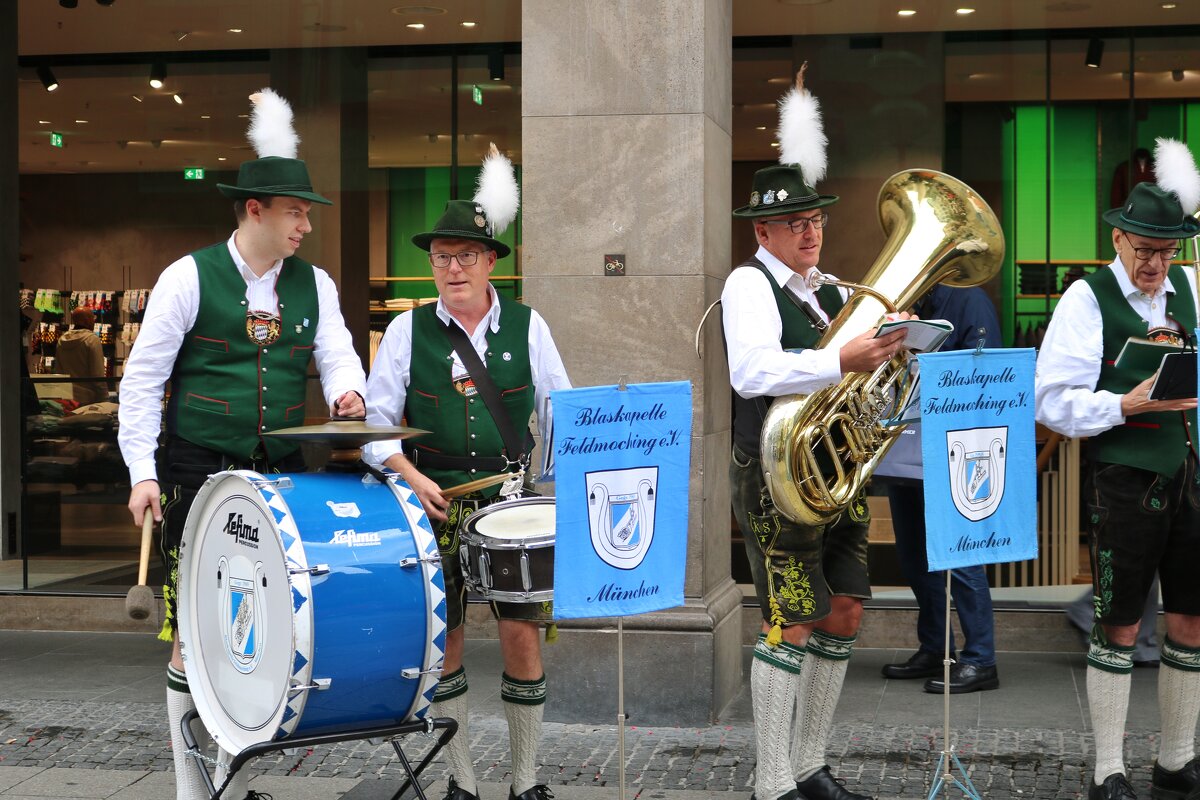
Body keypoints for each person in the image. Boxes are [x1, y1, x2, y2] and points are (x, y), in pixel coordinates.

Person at [118, 89, 366, 800]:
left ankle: (230, 773)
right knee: (190, 627)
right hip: (197, 468)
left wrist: (348, 392)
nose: (307, 225)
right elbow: (142, 386)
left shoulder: (313, 284)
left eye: (309, 212)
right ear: (254, 210)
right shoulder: (188, 278)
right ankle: (190, 788)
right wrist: (142, 473)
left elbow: (339, 356)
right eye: (296, 211)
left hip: (281, 474)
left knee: (255, 624)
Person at [722, 68, 906, 800]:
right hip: (773, 476)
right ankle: (773, 781)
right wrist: (842, 356)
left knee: (846, 608)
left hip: (834, 473)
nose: (809, 230)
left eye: (816, 219)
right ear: (761, 230)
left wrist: (889, 356)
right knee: (789, 617)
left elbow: (851, 380)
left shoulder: (832, 289)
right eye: (793, 222)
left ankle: (810, 763)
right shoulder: (748, 284)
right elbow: (752, 371)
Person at [364, 145, 569, 800]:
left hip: (511, 505)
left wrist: (557, 489)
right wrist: (405, 474)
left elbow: (561, 413)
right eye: (441, 257)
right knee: (446, 642)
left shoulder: (530, 327)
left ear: (490, 263)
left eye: (466, 257)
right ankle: (462, 783)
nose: (452, 269)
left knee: (521, 638)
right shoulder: (406, 331)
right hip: (433, 501)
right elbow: (374, 426)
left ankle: (526, 781)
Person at [1035, 139, 1200, 800]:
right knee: (1120, 622)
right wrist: (1120, 403)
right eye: (1147, 251)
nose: (1158, 264)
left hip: (1188, 474)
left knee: (1189, 619)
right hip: (1124, 479)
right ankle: (1108, 767)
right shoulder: (1086, 299)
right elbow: (1050, 399)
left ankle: (1177, 759)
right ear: (1122, 238)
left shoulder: (1187, 287)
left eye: (1168, 252)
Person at [875, 285, 1001, 694]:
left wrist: (918, 355)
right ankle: (935, 647)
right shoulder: (899, 303)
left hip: (951, 448)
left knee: (960, 558)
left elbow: (985, 372)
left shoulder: (969, 300)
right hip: (905, 442)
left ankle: (981, 659)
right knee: (913, 558)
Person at [56, 307, 107, 405]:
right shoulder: (92, 340)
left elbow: (59, 371)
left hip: (67, 398)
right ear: (87, 320)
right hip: (88, 399)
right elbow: (97, 374)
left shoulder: (61, 340)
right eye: (93, 318)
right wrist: (104, 398)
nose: (94, 321)